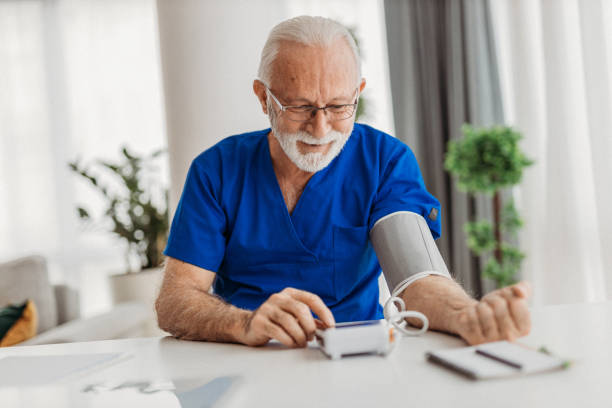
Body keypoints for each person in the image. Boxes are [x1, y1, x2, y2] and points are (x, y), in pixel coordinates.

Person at [155, 16, 531, 348]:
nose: (320, 129)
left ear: (358, 93)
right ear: (263, 97)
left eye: (338, 106)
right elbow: (175, 301)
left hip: (355, 358)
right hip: (244, 354)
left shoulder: (384, 161)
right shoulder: (216, 170)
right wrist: (244, 323)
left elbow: (416, 278)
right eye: (300, 107)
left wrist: (468, 315)